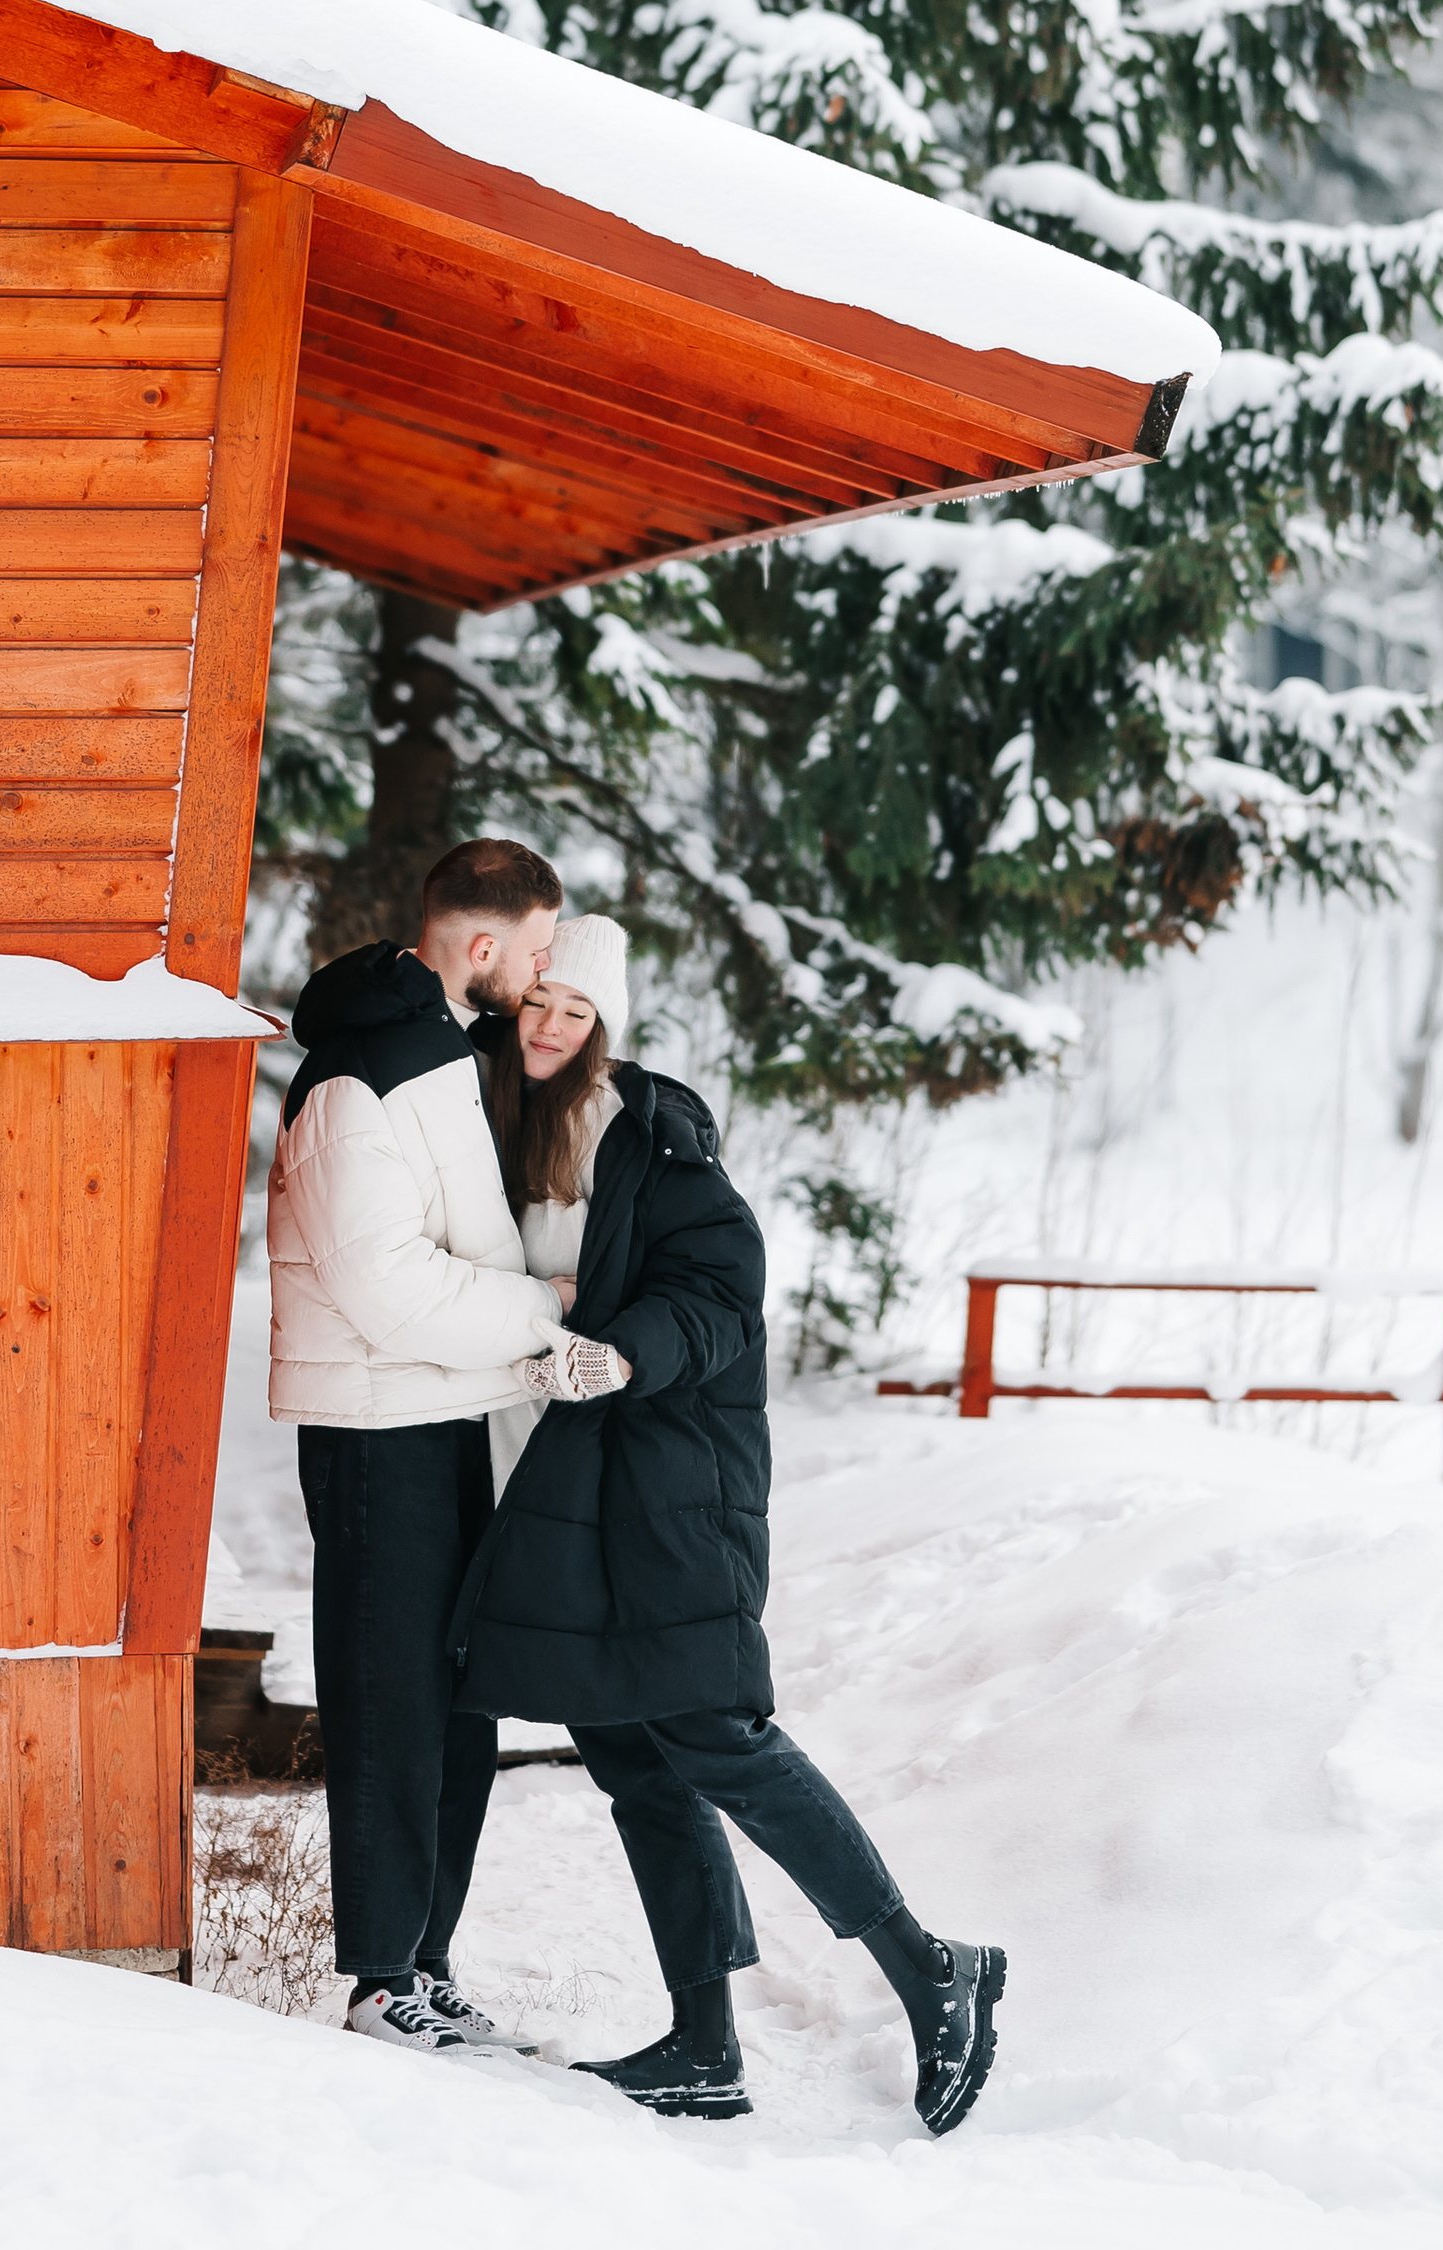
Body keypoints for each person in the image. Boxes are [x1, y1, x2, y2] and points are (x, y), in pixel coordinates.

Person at [451, 913, 1006, 2134]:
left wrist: (617, 1356)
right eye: (536, 1007)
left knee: (716, 1735)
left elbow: (718, 1298)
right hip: (561, 1496)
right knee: (635, 1761)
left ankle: (930, 1968)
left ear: (607, 1028)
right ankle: (703, 2045)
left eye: (576, 1013)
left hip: (667, 1489)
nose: (550, 1027)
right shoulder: (492, 1126)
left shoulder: (652, 1137)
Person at [268, 838, 574, 2054]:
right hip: (372, 1431)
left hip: (439, 1415)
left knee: (455, 1706)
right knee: (391, 1702)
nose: (544, 978)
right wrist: (542, 1314)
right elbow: (385, 1285)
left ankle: (425, 1959)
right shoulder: (364, 1071)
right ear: (484, 946)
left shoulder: (444, 1050)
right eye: (539, 952)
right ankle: (380, 1979)